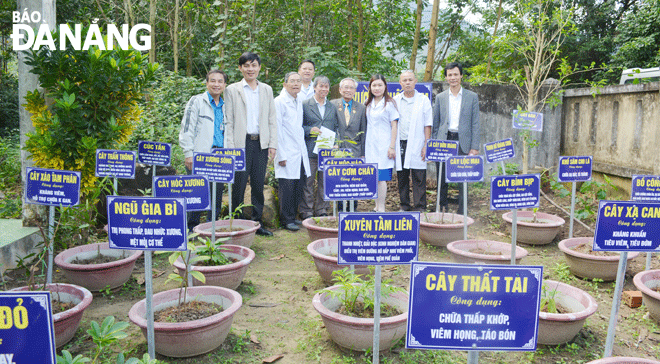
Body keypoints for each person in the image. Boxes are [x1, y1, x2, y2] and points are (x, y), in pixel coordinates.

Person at [224, 52, 277, 236]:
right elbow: (228, 120)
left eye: (253, 65)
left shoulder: (267, 90)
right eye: (246, 65)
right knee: (238, 184)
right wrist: (230, 148)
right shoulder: (232, 89)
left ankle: (257, 222)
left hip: (260, 143)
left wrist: (272, 144)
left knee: (257, 184)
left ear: (259, 67)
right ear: (240, 68)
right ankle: (235, 223)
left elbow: (272, 118)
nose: (250, 69)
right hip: (240, 144)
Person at [178, 69, 228, 229]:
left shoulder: (226, 106)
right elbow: (187, 128)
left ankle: (212, 228)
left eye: (220, 81)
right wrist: (188, 153)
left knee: (216, 195)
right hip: (199, 156)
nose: (216, 84)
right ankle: (191, 228)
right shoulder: (197, 101)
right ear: (207, 83)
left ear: (224, 85)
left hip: (219, 157)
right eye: (213, 81)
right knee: (196, 194)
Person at [432, 62, 481, 216]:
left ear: (461, 76)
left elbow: (475, 123)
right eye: (449, 75)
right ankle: (442, 207)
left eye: (455, 74)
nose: (453, 77)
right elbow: (436, 123)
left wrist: (474, 146)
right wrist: (434, 144)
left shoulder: (472, 97)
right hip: (444, 141)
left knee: (462, 177)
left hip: (463, 141)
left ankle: (462, 210)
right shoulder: (440, 97)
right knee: (442, 176)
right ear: (446, 78)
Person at [274, 72, 311, 231]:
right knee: (286, 187)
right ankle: (285, 219)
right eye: (292, 81)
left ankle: (292, 216)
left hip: (299, 151)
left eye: (298, 81)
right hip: (286, 151)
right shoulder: (279, 101)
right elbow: (276, 129)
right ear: (284, 84)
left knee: (298, 184)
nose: (296, 84)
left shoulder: (298, 101)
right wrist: (280, 154)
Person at [300, 76, 339, 219]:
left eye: (326, 86)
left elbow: (336, 127)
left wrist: (336, 142)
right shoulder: (305, 104)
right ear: (314, 87)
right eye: (321, 86)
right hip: (310, 150)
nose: (324, 89)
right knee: (308, 182)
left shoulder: (332, 107)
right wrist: (310, 130)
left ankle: (322, 209)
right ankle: (306, 211)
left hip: (327, 151)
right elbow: (299, 127)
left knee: (324, 182)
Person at [394, 70, 432, 212]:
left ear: (415, 81)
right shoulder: (395, 100)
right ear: (400, 83)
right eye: (404, 80)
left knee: (419, 177)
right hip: (401, 143)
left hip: (417, 143)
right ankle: (404, 206)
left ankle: (420, 208)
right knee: (402, 177)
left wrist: (426, 144)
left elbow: (427, 124)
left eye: (410, 80)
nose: (408, 82)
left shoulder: (423, 100)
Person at [364, 74, 400, 212]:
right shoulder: (368, 104)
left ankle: (382, 207)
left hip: (385, 146)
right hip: (371, 146)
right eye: (374, 85)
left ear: (385, 87)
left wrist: (392, 146)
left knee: (381, 178)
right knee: (374, 177)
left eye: (380, 85)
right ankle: (376, 205)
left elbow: (394, 126)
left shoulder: (390, 104)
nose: (377, 88)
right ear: (370, 87)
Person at [332, 77, 367, 212]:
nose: (348, 90)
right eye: (345, 87)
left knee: (354, 179)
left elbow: (363, 131)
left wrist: (363, 152)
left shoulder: (361, 108)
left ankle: (353, 208)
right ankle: (340, 209)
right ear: (340, 90)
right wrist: (335, 143)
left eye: (351, 87)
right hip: (338, 149)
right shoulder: (332, 104)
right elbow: (331, 127)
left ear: (355, 91)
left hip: (355, 150)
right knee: (340, 179)